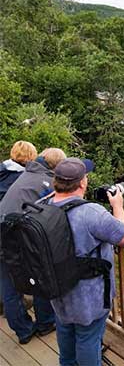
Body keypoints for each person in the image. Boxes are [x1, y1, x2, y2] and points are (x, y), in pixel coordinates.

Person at [48, 158, 124, 366]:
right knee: (88, 338)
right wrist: (117, 206)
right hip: (88, 296)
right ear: (83, 183)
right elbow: (122, 236)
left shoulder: (45, 206)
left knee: (65, 332)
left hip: (58, 290)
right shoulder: (90, 212)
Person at [0, 147, 66, 344]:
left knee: (9, 288)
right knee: (40, 278)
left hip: (3, 235)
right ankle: (45, 323)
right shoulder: (46, 182)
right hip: (16, 239)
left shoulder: (26, 172)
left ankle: (23, 331)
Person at [0, 141, 37, 315]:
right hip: (7, 233)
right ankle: (20, 321)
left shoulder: (2, 170)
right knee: (11, 279)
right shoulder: (21, 179)